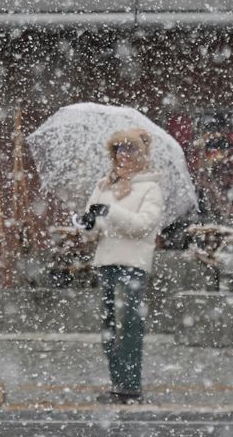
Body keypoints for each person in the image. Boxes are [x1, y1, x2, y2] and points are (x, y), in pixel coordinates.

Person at [79, 127, 164, 405]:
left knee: (129, 327)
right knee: (107, 328)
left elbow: (142, 226)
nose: (123, 155)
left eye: (129, 149)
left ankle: (130, 387)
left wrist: (110, 211)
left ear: (141, 154)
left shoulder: (151, 187)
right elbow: (93, 229)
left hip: (133, 266)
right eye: (118, 149)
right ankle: (118, 384)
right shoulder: (104, 185)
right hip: (106, 263)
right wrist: (87, 224)